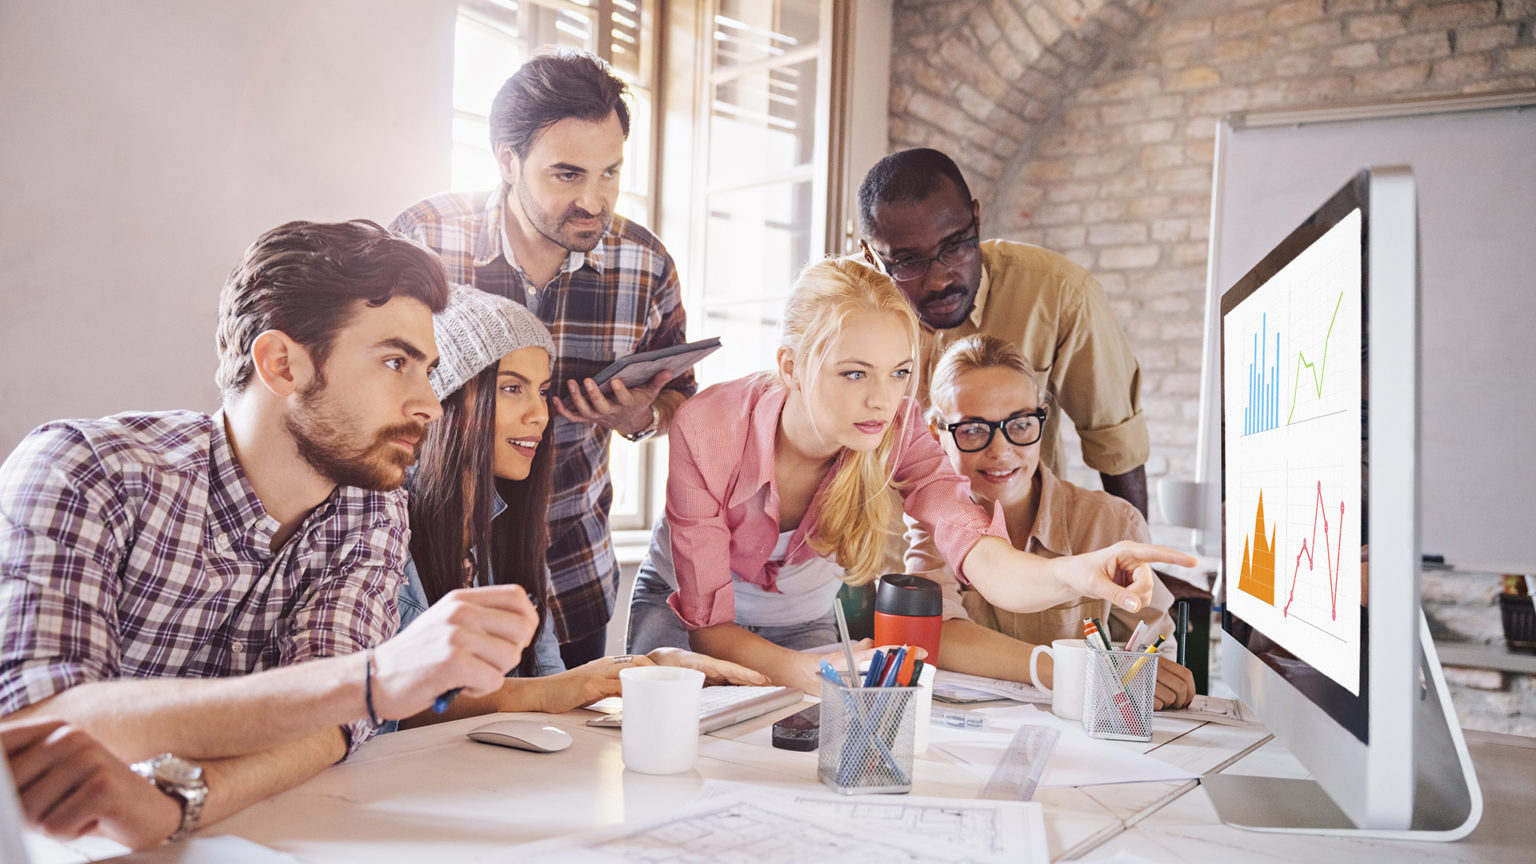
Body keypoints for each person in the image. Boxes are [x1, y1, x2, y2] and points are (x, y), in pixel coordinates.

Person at [0, 221, 540, 847]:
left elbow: (330, 726)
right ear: (282, 363)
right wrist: (373, 679)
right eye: (396, 362)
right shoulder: (86, 470)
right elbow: (35, 724)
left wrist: (177, 804)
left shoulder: (371, 508)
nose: (429, 403)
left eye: (428, 370)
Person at [626, 257, 1194, 693]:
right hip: (686, 607)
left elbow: (979, 553)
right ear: (792, 366)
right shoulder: (706, 428)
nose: (881, 398)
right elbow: (709, 627)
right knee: (671, 724)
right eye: (854, 373)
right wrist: (804, 671)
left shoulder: (897, 428)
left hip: (801, 618)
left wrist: (1074, 574)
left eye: (899, 372)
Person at [392, 49, 694, 669]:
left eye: (609, 173)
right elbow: (365, 383)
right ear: (508, 161)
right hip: (428, 576)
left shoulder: (647, 264)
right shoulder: (423, 240)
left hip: (571, 574)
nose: (594, 200)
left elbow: (679, 397)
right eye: (567, 175)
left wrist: (641, 414)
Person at [394, 287, 765, 727]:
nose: (539, 414)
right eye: (512, 388)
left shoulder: (508, 527)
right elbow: (379, 710)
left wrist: (650, 667)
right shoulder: (383, 525)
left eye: (542, 391)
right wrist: (561, 689)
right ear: (444, 399)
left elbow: (551, 683)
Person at [858, 148, 1151, 517]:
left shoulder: (1060, 294)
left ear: (976, 221)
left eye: (954, 246)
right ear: (870, 256)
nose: (939, 279)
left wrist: (1136, 560)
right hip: (883, 553)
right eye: (907, 261)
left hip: (1020, 554)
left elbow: (1116, 446)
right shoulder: (843, 305)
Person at [907, 335, 1195, 709]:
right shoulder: (931, 518)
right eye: (973, 430)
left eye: (1021, 424)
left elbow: (1154, 657)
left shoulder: (1112, 523)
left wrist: (1153, 679)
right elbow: (935, 634)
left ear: (1043, 417)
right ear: (936, 435)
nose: (1000, 450)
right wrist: (1076, 670)